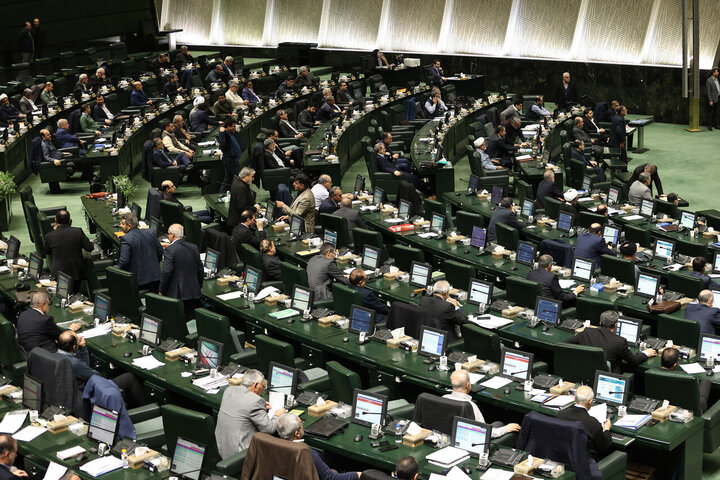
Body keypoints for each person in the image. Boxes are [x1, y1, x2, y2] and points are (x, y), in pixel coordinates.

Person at [56, 330, 146, 407]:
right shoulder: (74, 363)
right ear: (74, 347)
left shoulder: (54, 356)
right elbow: (95, 376)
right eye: (77, 339)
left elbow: (83, 369)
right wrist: (83, 347)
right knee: (129, 378)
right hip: (86, 394)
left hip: (68, 395)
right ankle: (145, 410)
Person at [215, 369, 285, 459]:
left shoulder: (229, 390)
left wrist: (261, 406)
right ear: (255, 385)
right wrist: (277, 415)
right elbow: (269, 429)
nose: (263, 391)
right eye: (263, 387)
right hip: (240, 455)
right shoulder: (256, 401)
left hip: (220, 448)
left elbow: (242, 405)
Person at [565, 310, 655, 373]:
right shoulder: (620, 342)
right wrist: (646, 353)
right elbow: (634, 361)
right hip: (607, 377)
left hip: (585, 372)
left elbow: (565, 343)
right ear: (616, 325)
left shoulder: (586, 332)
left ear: (600, 323)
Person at [277, 413, 361, 479]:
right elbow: (331, 478)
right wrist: (358, 475)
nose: (303, 425)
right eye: (301, 424)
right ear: (297, 433)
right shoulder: (307, 453)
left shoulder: (276, 448)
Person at [443, 370, 521, 437]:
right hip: (470, 438)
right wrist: (506, 428)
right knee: (499, 423)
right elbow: (484, 432)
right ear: (467, 385)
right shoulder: (470, 405)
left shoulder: (444, 398)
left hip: (447, 437)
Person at [556, 386, 612, 464]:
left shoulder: (561, 414)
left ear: (575, 399)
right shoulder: (592, 423)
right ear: (590, 401)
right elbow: (604, 448)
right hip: (586, 463)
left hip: (563, 458)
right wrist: (606, 430)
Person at [160, 224, 204, 319]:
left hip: (177, 294)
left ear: (172, 235)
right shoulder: (193, 247)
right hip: (194, 292)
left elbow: (167, 271)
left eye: (168, 234)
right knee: (191, 320)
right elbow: (200, 269)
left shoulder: (170, 250)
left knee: (177, 321)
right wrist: (199, 286)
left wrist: (161, 290)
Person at [43, 210, 93, 288]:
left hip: (58, 274)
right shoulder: (78, 232)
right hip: (76, 273)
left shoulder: (49, 236)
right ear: (70, 221)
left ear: (55, 220)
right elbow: (89, 248)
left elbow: (47, 252)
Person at [118, 213, 163, 292]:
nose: (121, 226)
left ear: (129, 226)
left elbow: (124, 261)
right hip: (155, 276)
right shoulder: (150, 232)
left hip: (139, 281)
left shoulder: (126, 239)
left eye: (123, 224)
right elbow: (160, 251)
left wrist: (119, 274)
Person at [661, 347, 711, 412]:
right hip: (690, 409)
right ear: (675, 365)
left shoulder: (651, 372)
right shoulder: (684, 377)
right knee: (706, 381)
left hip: (663, 405)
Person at [216, 118, 244, 193]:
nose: (235, 128)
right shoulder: (223, 134)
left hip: (234, 160)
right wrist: (221, 132)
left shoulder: (232, 133)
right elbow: (222, 143)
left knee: (227, 180)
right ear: (228, 127)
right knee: (240, 178)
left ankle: (221, 194)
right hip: (230, 161)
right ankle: (241, 194)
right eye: (233, 126)